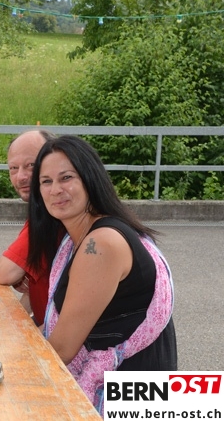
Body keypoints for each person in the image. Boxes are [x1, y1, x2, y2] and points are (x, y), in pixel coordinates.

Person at [26, 135, 177, 415]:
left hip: (129, 399)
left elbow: (61, 350)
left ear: (90, 178)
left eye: (66, 178)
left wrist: (6, 361)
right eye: (46, 181)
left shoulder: (101, 243)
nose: (56, 189)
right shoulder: (82, 236)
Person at [0, 130, 55, 326]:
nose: (21, 176)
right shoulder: (39, 212)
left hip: (57, 333)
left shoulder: (52, 215)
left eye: (31, 165)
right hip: (45, 322)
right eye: (13, 168)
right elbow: (33, 288)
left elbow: (5, 272)